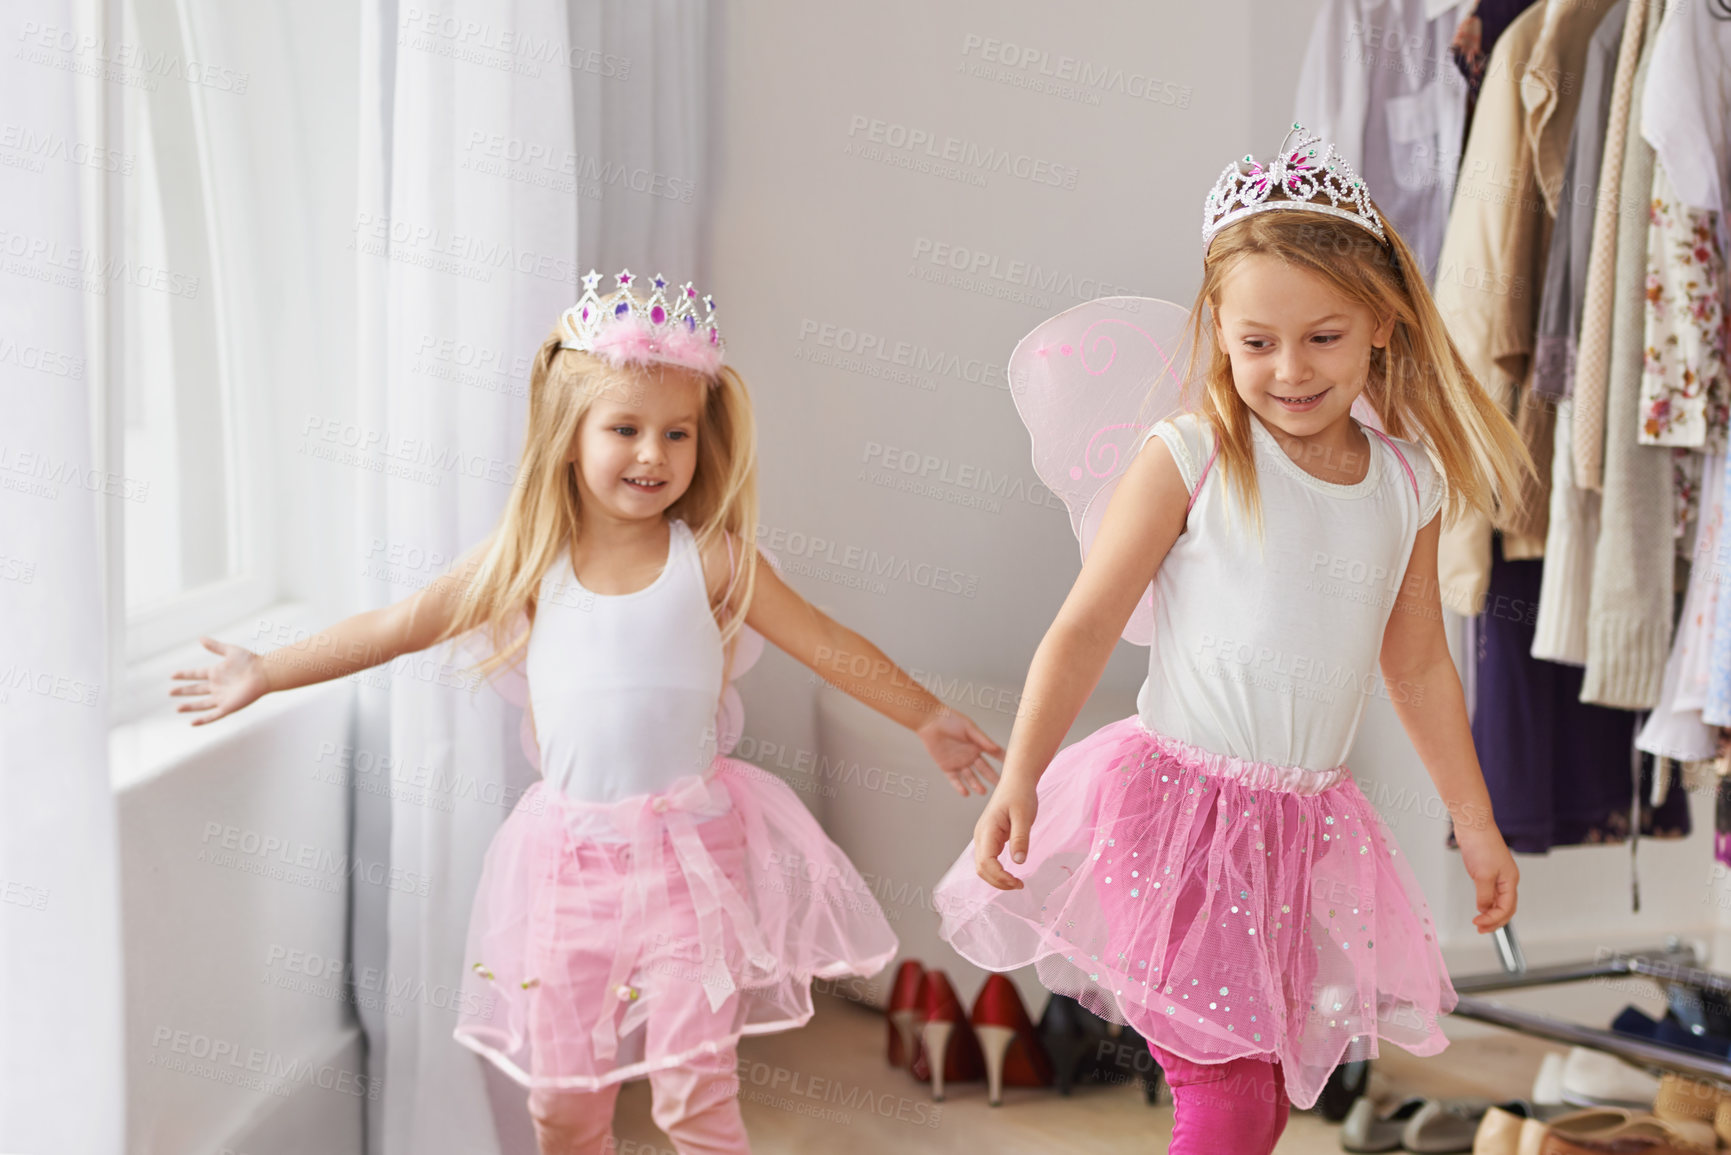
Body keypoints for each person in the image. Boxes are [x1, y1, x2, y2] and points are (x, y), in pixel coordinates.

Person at [170, 269, 1003, 1154]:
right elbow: (397, 624)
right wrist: (267, 668)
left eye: (676, 433)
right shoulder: (528, 562)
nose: (653, 454)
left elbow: (825, 640)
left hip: (695, 858)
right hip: (567, 870)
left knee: (696, 1098)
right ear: (569, 438)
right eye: (625, 430)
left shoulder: (712, 559)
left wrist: (922, 714)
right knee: (564, 1108)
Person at [933, 125, 1533, 1155]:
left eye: (1323, 337)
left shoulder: (1407, 482)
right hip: (1177, 822)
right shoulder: (1194, 454)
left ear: (1382, 324)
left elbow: (1419, 662)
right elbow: (1081, 627)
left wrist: (1475, 822)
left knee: (1259, 1103)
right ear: (1218, 328)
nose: (1289, 370)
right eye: (1256, 342)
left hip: (1302, 833)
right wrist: (1020, 777)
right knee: (1228, 1102)